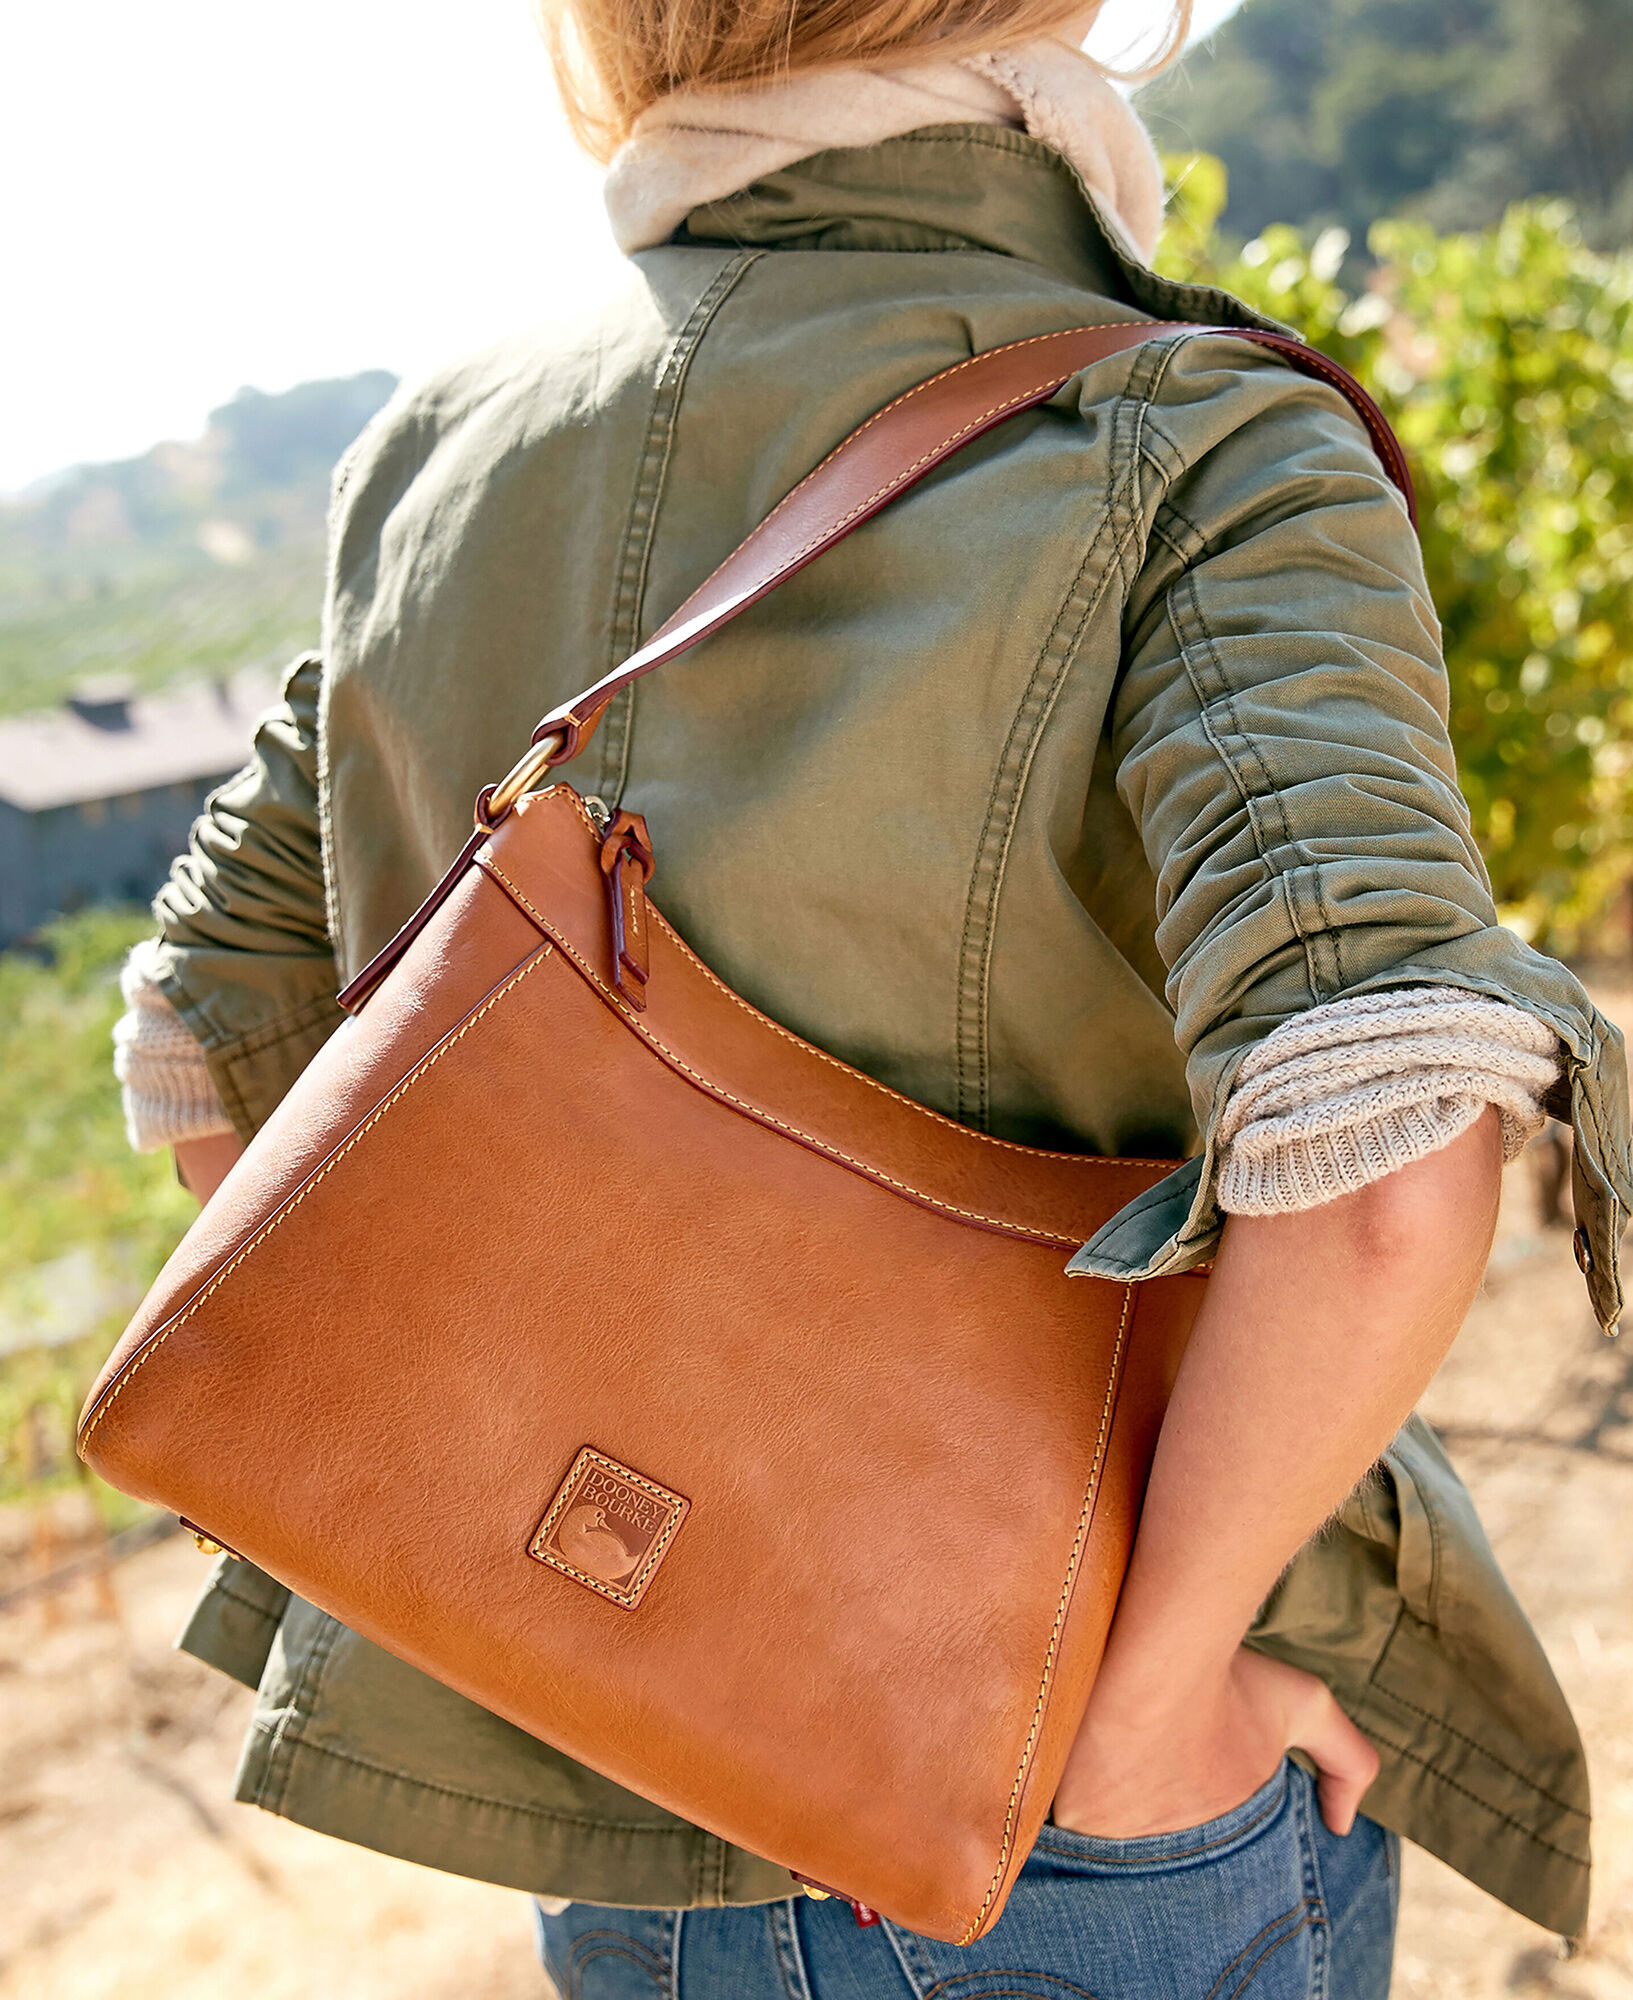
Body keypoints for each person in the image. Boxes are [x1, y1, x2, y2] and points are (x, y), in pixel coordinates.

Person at [111, 0, 1631, 1993]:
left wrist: (560, 1590)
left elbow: (208, 1054)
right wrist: (1148, 1700)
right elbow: (1371, 1169)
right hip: (1043, 1794)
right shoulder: (1185, 430)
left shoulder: (423, 462)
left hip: (600, 1772)